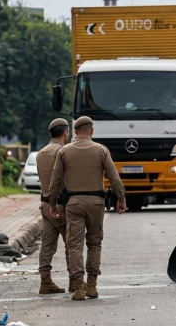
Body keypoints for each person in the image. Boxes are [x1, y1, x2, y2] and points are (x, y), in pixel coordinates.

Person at [48, 116, 127, 301]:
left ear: (75, 132)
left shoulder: (64, 151)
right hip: (96, 203)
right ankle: (91, 286)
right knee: (94, 244)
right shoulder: (101, 150)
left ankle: (78, 288)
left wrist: (52, 203)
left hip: (74, 203)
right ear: (92, 131)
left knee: (75, 246)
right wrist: (121, 199)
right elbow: (114, 178)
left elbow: (56, 180)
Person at [36, 118, 72, 295]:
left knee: (47, 244)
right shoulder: (64, 151)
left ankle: (45, 281)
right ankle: (75, 281)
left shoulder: (40, 153)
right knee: (71, 244)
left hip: (45, 204)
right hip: (62, 204)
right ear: (66, 133)